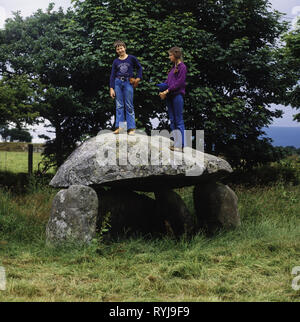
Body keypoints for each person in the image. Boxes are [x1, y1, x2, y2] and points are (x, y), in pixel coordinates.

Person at [110, 40, 143, 135]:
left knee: (129, 105)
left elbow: (139, 68)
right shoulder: (115, 61)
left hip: (128, 82)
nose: (120, 50)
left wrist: (138, 78)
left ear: (125, 48)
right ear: (116, 51)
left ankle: (131, 128)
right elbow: (112, 75)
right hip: (118, 82)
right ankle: (120, 128)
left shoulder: (131, 58)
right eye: (118, 49)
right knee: (119, 105)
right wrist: (111, 88)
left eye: (121, 48)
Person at [159, 47, 187, 151]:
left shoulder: (182, 67)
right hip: (170, 96)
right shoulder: (172, 68)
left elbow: (179, 83)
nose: (169, 57)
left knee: (179, 120)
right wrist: (162, 90)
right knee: (172, 120)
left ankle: (181, 145)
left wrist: (166, 91)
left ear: (175, 55)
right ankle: (176, 143)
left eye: (170, 55)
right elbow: (168, 81)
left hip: (177, 96)